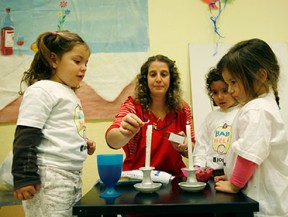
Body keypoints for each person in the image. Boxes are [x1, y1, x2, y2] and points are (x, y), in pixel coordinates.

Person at [12, 30, 96, 217]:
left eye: (86, 63)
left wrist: (81, 142)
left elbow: (58, 130)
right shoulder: (42, 90)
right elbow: (26, 134)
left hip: (71, 176)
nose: (83, 68)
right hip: (49, 177)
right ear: (54, 60)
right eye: (77, 61)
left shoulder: (67, 92)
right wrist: (24, 178)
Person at [214, 38, 288, 217]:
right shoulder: (261, 106)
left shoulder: (257, 109)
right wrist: (231, 176)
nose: (229, 90)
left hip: (265, 207)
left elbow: (249, 155)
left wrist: (234, 184)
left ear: (261, 75)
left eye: (234, 82)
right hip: (268, 202)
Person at [105, 54, 195, 177]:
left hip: (174, 178)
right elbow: (111, 140)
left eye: (163, 74)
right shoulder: (132, 106)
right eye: (153, 74)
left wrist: (184, 146)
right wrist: (124, 133)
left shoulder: (183, 109)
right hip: (138, 179)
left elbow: (194, 150)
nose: (158, 79)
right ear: (145, 79)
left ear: (171, 79)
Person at [193, 67, 239, 177]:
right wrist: (198, 166)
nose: (220, 97)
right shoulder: (211, 117)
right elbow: (202, 144)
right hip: (211, 174)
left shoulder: (242, 113)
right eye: (215, 92)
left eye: (225, 91)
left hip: (234, 175)